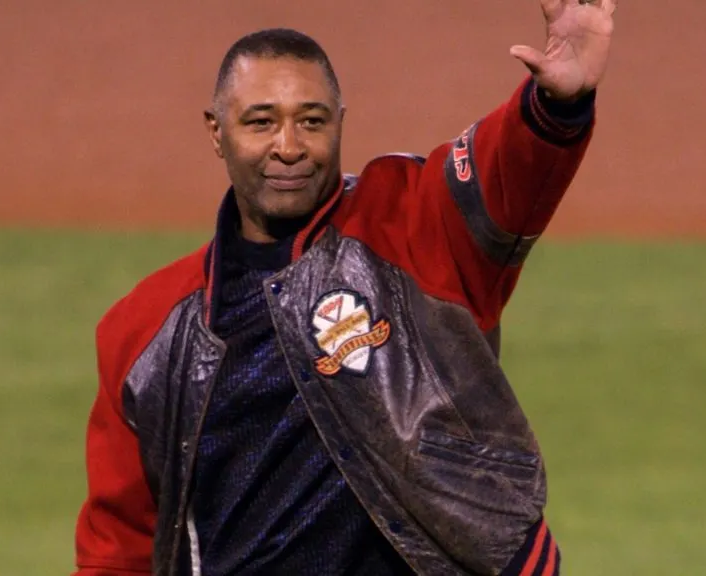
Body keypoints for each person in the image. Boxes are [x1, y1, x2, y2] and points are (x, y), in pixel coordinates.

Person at [72, 1, 616, 574]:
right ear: (217, 131)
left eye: (312, 120)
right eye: (261, 122)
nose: (289, 147)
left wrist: (558, 106)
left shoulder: (410, 226)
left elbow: (505, 174)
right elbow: (120, 541)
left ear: (341, 120)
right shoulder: (146, 330)